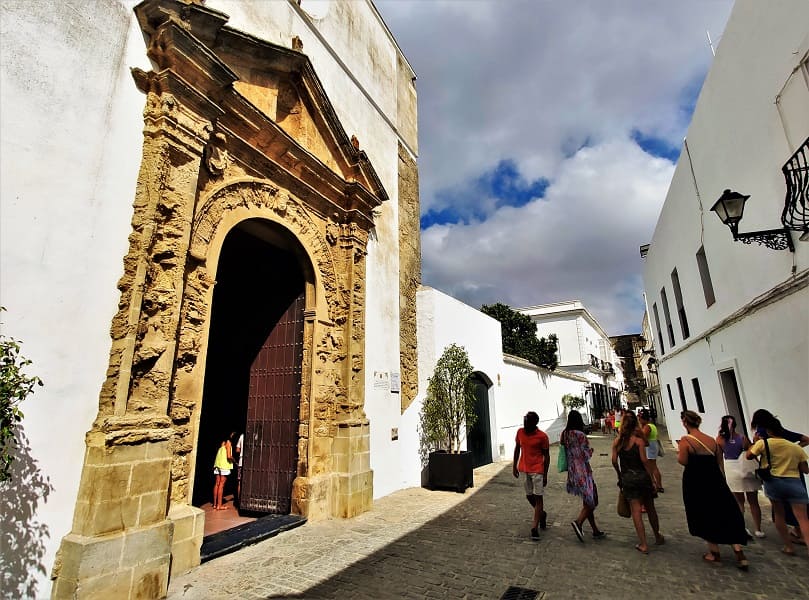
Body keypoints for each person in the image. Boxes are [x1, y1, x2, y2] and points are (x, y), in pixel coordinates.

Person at [678, 410, 749, 569]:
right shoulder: (711, 440)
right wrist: (723, 480)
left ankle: (714, 553)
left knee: (705, 513)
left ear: (685, 423)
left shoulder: (686, 441)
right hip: (715, 480)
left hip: (696, 482)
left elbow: (682, 461)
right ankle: (738, 551)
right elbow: (719, 463)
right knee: (725, 512)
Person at [745, 410, 809, 557]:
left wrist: (755, 442)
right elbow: (805, 470)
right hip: (794, 481)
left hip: (773, 481)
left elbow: (749, 455)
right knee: (803, 518)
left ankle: (788, 546)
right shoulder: (795, 448)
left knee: (779, 514)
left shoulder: (763, 442)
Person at [612, 412, 664, 553]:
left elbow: (613, 461)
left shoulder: (618, 442)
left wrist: (619, 474)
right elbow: (644, 461)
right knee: (650, 507)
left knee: (636, 511)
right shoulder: (639, 441)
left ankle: (643, 544)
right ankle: (657, 535)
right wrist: (652, 479)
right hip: (642, 477)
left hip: (628, 478)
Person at [715, 415, 764, 538]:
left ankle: (742, 527)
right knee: (754, 502)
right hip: (746, 469)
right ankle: (758, 529)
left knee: (739, 502)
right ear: (735, 425)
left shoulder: (719, 440)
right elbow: (750, 453)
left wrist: (722, 473)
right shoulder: (742, 438)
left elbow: (720, 458)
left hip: (731, 470)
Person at [562, 410, 606, 542]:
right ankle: (579, 522)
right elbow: (585, 454)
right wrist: (591, 451)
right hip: (583, 471)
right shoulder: (580, 435)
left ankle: (595, 530)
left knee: (588, 500)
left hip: (572, 471)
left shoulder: (565, 434)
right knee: (592, 500)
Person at [513, 411, 550, 540]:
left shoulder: (542, 436)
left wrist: (545, 474)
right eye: (525, 420)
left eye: (528, 421)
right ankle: (541, 514)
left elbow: (547, 455)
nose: (525, 423)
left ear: (534, 423)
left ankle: (534, 527)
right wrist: (514, 465)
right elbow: (517, 448)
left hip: (538, 469)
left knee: (538, 497)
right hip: (524, 468)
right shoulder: (520, 432)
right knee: (529, 496)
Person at [639, 409, 663, 492]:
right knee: (653, 466)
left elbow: (643, 437)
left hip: (649, 447)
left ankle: (655, 484)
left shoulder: (647, 427)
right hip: (653, 445)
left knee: (651, 467)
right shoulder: (652, 425)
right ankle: (658, 484)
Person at [212, 431, 235, 510]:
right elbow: (229, 456)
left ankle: (215, 504)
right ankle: (219, 505)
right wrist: (234, 461)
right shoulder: (228, 442)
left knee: (217, 484)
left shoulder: (222, 443)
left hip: (217, 464)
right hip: (224, 465)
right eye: (233, 433)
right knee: (221, 485)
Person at [235, 432, 244, 507]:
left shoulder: (241, 436)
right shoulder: (255, 435)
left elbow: (237, 450)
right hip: (252, 463)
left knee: (240, 483)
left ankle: (239, 503)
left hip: (241, 462)